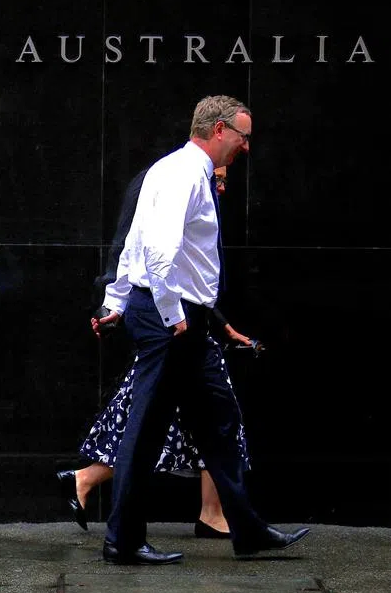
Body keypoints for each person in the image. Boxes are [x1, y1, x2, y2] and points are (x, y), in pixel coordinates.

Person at [90, 95, 309, 564]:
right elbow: (157, 253)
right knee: (145, 430)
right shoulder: (184, 175)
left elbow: (134, 242)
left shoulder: (173, 171)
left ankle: (245, 529)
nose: (245, 147)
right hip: (171, 321)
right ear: (217, 131)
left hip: (180, 318)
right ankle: (122, 542)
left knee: (220, 420)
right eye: (242, 136)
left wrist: (116, 301)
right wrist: (172, 317)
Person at [59, 167, 257, 539]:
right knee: (156, 421)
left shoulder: (195, 198)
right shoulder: (169, 187)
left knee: (193, 419)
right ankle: (118, 516)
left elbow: (192, 273)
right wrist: (118, 305)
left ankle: (216, 515)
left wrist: (218, 321)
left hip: (184, 320)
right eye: (218, 175)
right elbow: (136, 252)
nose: (223, 184)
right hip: (167, 322)